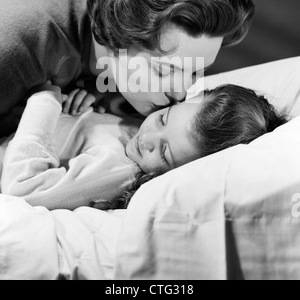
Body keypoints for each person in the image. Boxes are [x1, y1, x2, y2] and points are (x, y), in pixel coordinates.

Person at [0, 0, 255, 136]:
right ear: (116, 37)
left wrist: (98, 85)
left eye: (197, 71)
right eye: (163, 70)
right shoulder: (20, 47)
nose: (180, 93)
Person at [0, 83, 286, 211]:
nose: (148, 138)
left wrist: (45, 102)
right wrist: (89, 98)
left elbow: (25, 188)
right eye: (163, 119)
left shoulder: (120, 172)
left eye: (164, 153)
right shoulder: (142, 120)